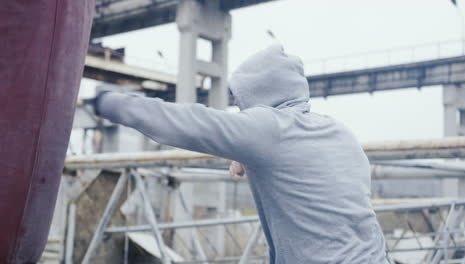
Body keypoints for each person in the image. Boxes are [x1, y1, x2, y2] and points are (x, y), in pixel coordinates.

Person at [94, 44, 388, 263]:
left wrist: (105, 102)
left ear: (257, 94)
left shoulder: (267, 129)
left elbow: (186, 123)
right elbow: (308, 169)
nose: (239, 106)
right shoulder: (338, 131)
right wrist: (248, 153)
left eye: (240, 99)